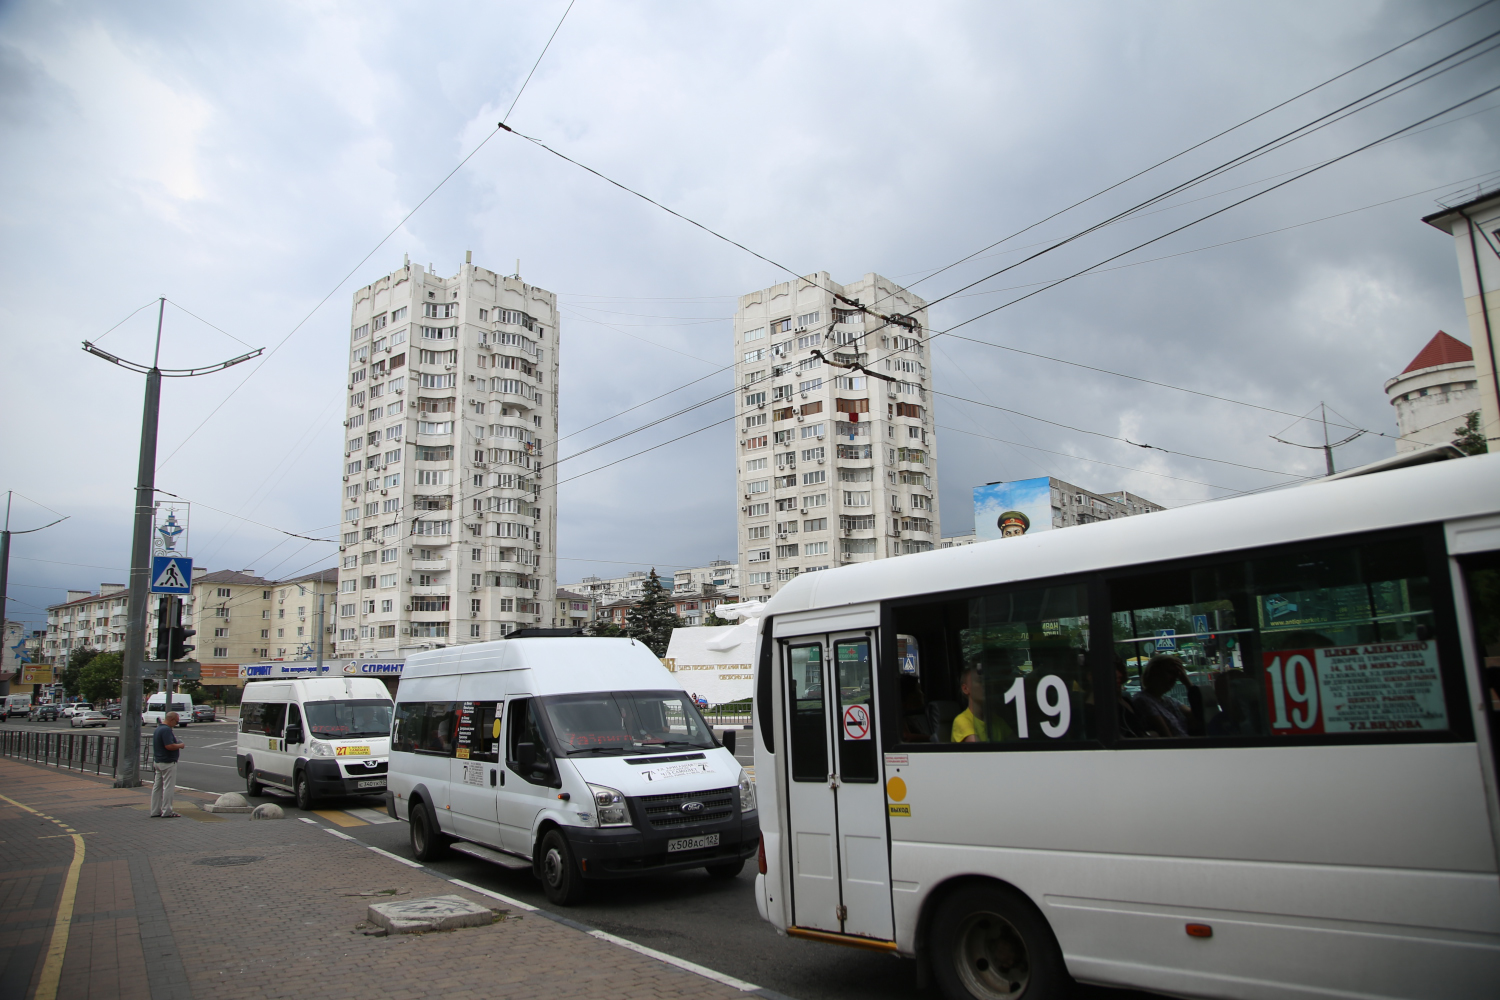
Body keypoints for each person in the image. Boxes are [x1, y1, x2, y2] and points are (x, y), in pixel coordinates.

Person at [950, 664, 1015, 743]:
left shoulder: (996, 720)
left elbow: (1019, 747)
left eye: (988, 681)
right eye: (980, 681)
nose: (986, 685)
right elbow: (980, 752)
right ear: (965, 689)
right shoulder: (962, 721)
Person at [1133, 654, 1191, 738]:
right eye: (1170, 672)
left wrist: (1187, 683)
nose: (1175, 678)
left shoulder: (1169, 701)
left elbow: (1199, 715)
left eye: (1177, 674)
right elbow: (1167, 737)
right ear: (1155, 672)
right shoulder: (1143, 701)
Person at [150, 711, 185, 818]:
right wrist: (180, 745)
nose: (177, 724)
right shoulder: (166, 730)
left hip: (158, 761)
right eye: (176, 721)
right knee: (168, 788)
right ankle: (167, 811)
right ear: (171, 719)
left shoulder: (158, 729)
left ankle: (155, 810)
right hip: (168, 762)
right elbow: (169, 746)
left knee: (157, 787)